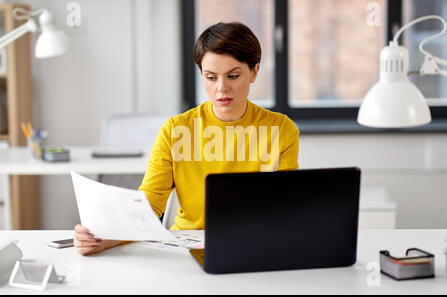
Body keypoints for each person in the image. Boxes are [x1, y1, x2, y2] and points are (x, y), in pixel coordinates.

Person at [74, 22, 300, 256]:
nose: (222, 88)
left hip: (255, 243)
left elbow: (283, 206)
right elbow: (149, 205)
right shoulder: (176, 130)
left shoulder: (281, 129)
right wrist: (105, 239)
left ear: (254, 72)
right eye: (211, 77)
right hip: (188, 246)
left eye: (233, 76)